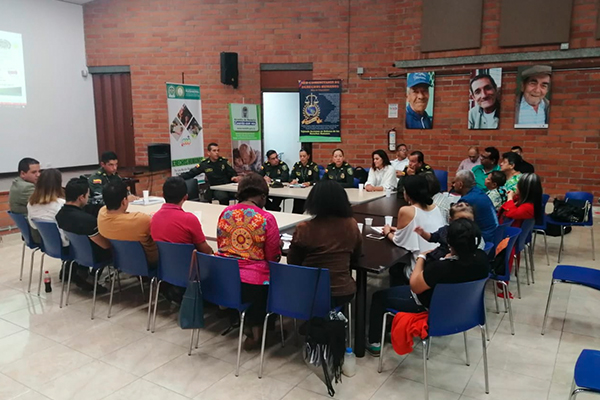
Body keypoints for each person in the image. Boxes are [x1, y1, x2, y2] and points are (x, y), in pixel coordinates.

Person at [367, 219, 489, 356]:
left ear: (450, 242)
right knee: (397, 273)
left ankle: (374, 343)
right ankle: (389, 324)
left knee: (378, 297)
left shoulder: (441, 268)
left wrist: (421, 257)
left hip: (427, 305)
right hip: (461, 309)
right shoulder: (482, 259)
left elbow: (415, 286)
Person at [216, 173, 281, 350]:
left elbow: (222, 245)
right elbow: (272, 257)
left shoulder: (225, 213)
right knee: (271, 278)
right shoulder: (266, 218)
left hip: (226, 279)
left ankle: (242, 320)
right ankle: (260, 330)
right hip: (253, 284)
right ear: (262, 196)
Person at [287, 180, 361, 307]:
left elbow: (293, 261)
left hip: (310, 292)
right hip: (343, 291)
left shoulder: (304, 228)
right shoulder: (351, 224)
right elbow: (356, 255)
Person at [382, 175, 446, 285]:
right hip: (439, 262)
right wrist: (399, 229)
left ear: (407, 193)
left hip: (421, 269)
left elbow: (399, 241)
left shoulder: (406, 210)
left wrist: (387, 232)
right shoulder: (435, 208)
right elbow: (424, 229)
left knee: (395, 268)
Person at [56, 177, 112, 292]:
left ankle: (82, 273)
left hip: (78, 252)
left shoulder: (60, 215)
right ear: (81, 197)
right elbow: (105, 245)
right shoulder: (88, 221)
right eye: (87, 196)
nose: (88, 198)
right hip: (94, 255)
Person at [97, 180, 158, 265]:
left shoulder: (101, 214)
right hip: (148, 261)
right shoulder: (141, 220)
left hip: (121, 259)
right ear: (123, 201)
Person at [150, 176, 214, 255]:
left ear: (163, 195)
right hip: (188, 262)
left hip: (163, 262)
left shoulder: (154, 218)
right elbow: (205, 251)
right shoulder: (189, 219)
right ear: (186, 197)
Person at [453, 170, 498, 244]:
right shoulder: (478, 191)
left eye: (454, 182)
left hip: (484, 240)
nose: (453, 185)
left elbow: (459, 227)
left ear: (460, 184)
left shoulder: (466, 201)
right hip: (493, 236)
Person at [27, 169, 68, 247]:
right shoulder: (61, 204)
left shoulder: (30, 203)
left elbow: (33, 225)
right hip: (64, 246)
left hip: (47, 244)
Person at [9, 157, 41, 243]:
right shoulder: (27, 188)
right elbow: (45, 204)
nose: (38, 175)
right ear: (23, 173)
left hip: (29, 231)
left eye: (39, 171)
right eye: (34, 172)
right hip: (37, 234)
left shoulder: (18, 182)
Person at [290, 148, 320, 214]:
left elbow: (317, 180)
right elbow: (290, 177)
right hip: (299, 190)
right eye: (300, 156)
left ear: (308, 156)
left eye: (304, 156)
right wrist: (293, 180)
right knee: (296, 209)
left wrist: (309, 183)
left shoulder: (313, 166)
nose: (302, 158)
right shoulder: (297, 165)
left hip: (309, 190)